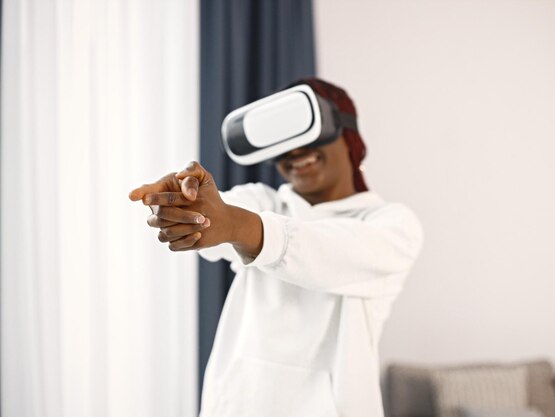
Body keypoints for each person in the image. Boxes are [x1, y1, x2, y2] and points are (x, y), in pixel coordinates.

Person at [129, 78, 423, 417]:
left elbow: (326, 251)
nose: (295, 152)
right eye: (284, 141)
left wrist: (236, 224)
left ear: (348, 136)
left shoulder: (392, 225)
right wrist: (188, 207)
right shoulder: (262, 201)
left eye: (308, 134)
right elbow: (217, 220)